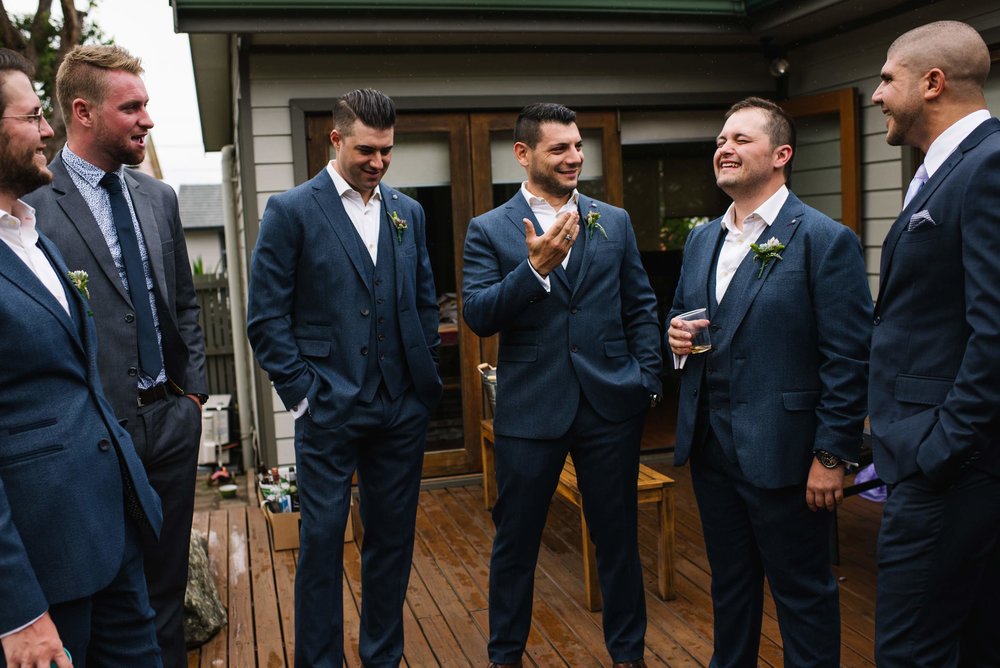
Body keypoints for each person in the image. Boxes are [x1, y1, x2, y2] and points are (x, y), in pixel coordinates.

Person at [666, 97, 870, 667]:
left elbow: (849, 358)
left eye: (740, 140)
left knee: (802, 595)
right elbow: (686, 314)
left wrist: (833, 455)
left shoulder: (824, 240)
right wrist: (676, 337)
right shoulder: (703, 239)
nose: (723, 149)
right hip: (712, 449)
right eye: (720, 140)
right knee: (730, 588)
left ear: (781, 155)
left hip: (787, 453)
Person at [25, 44, 208, 667]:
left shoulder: (158, 199)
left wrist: (193, 396)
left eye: (147, 105)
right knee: (108, 597)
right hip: (98, 438)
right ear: (83, 112)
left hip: (172, 425)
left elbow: (184, 302)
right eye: (131, 108)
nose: (147, 120)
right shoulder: (34, 211)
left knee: (167, 593)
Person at [247, 88, 442, 667]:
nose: (378, 163)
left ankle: (382, 657)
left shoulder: (409, 212)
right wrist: (303, 397)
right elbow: (266, 318)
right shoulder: (292, 210)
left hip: (399, 410)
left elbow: (425, 300)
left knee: (390, 545)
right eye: (366, 151)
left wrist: (420, 375)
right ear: (336, 139)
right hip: (328, 408)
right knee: (322, 545)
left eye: (387, 151)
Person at [463, 103, 662, 668]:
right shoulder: (490, 229)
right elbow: (478, 314)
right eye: (560, 148)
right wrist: (534, 271)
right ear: (523, 154)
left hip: (608, 406)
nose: (575, 157)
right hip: (531, 409)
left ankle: (629, 657)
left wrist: (645, 381)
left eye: (578, 146)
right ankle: (506, 657)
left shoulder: (613, 220)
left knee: (618, 540)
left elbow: (640, 306)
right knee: (515, 544)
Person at [0, 48, 163, 668]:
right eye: (32, 117)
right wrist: (15, 609)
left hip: (111, 535)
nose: (48, 132)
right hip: (42, 570)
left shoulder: (29, 233)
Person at [869, 21, 1000, 666]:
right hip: (943, 461)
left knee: (909, 651)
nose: (876, 95)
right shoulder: (939, 171)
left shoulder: (988, 166)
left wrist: (940, 448)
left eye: (887, 78)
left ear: (933, 82)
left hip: (953, 469)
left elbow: (996, 330)